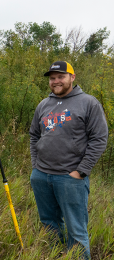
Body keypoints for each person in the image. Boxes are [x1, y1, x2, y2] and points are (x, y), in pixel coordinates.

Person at [29, 61, 108, 259]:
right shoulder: (43, 104)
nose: (56, 81)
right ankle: (54, 255)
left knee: (76, 230)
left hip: (70, 178)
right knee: (48, 224)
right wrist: (35, 167)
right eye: (52, 78)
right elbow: (34, 135)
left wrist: (81, 171)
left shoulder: (89, 103)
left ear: (72, 77)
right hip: (41, 176)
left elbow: (99, 139)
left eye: (61, 77)